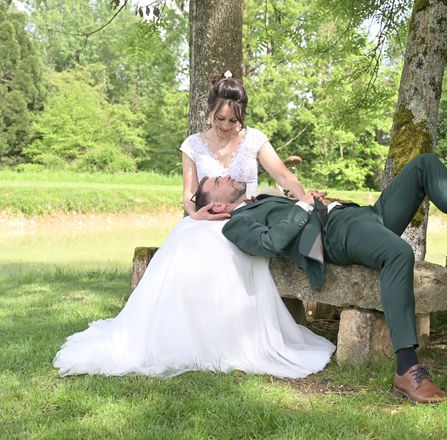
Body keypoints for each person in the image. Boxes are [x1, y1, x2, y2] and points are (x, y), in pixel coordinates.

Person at [53, 73, 335, 379]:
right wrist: (196, 214)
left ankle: (234, 337)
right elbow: (188, 195)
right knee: (188, 238)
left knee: (224, 248)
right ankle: (182, 334)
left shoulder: (255, 139)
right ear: (210, 110)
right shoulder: (193, 145)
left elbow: (283, 177)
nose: (226, 126)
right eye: (220, 119)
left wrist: (303, 196)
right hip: (206, 217)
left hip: (246, 218)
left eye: (233, 120)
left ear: (242, 116)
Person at [193, 154, 447, 404]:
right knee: (398, 253)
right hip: (336, 233)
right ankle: (407, 369)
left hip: (360, 215)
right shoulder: (235, 223)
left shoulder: (258, 200)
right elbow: (271, 242)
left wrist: (312, 203)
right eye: (217, 182)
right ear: (218, 207)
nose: (225, 176)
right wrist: (305, 207)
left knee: (424, 165)